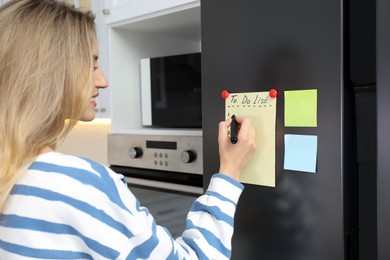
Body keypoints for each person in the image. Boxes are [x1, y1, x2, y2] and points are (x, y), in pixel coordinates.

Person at [0, 0, 256, 259]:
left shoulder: (11, 172)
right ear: (49, 73)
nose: (103, 81)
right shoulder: (77, 184)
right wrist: (230, 170)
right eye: (92, 65)